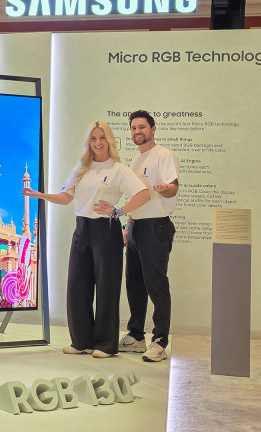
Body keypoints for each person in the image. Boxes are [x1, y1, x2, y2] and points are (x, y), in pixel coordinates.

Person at [23, 121, 149, 358]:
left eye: (102, 138)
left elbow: (143, 194)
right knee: (77, 286)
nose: (98, 143)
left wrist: (119, 211)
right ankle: (81, 341)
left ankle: (106, 344)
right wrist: (39, 195)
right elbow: (65, 198)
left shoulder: (119, 169)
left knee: (107, 288)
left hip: (106, 230)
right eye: (93, 138)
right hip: (82, 229)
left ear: (109, 141)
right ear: (88, 142)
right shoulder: (81, 168)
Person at [107, 110, 179, 362]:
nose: (138, 131)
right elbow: (136, 197)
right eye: (134, 128)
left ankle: (160, 341)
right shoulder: (136, 161)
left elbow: (172, 187)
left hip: (156, 227)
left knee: (156, 284)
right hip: (136, 227)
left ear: (153, 129)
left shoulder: (164, 155)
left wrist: (165, 188)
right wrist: (128, 226)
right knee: (134, 283)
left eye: (142, 127)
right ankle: (136, 336)